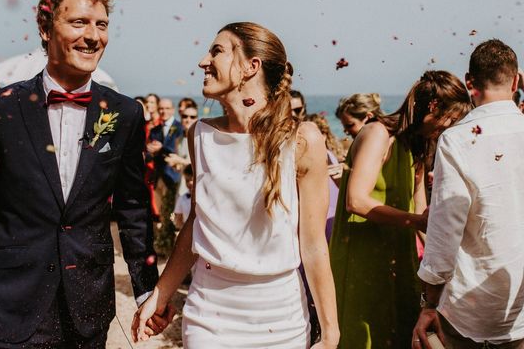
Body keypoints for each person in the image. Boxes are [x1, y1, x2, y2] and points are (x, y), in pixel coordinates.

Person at [0, 0, 158, 349]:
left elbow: (133, 209)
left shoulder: (126, 113)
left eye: (102, 25)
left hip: (87, 308)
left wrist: (146, 292)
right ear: (46, 30)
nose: (93, 36)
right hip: (9, 307)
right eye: (79, 23)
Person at [132, 22, 340, 348]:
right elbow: (197, 224)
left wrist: (330, 332)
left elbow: (313, 245)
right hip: (209, 311)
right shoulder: (199, 135)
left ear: (250, 66)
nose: (203, 61)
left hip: (280, 315)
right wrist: (161, 294)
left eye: (216, 51)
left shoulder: (302, 140)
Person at [329, 70, 472, 348]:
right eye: (450, 119)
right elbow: (356, 200)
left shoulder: (417, 145)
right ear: (433, 108)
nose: (449, 128)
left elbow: (422, 212)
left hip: (400, 259)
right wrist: (416, 221)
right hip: (361, 258)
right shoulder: (377, 133)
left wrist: (443, 270)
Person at [413, 40, 524, 349]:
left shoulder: (457, 140)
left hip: (468, 307)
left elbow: (444, 229)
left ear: (469, 82)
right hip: (519, 306)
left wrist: (429, 304)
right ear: (516, 80)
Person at [147, 98, 184, 254]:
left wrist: (161, 148)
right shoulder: (155, 130)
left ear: (173, 109)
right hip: (158, 177)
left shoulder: (180, 127)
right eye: (161, 108)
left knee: (171, 213)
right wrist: (148, 150)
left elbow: (176, 149)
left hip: (173, 176)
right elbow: (149, 152)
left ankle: (168, 246)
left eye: (167, 108)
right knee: (162, 212)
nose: (163, 111)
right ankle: (165, 245)